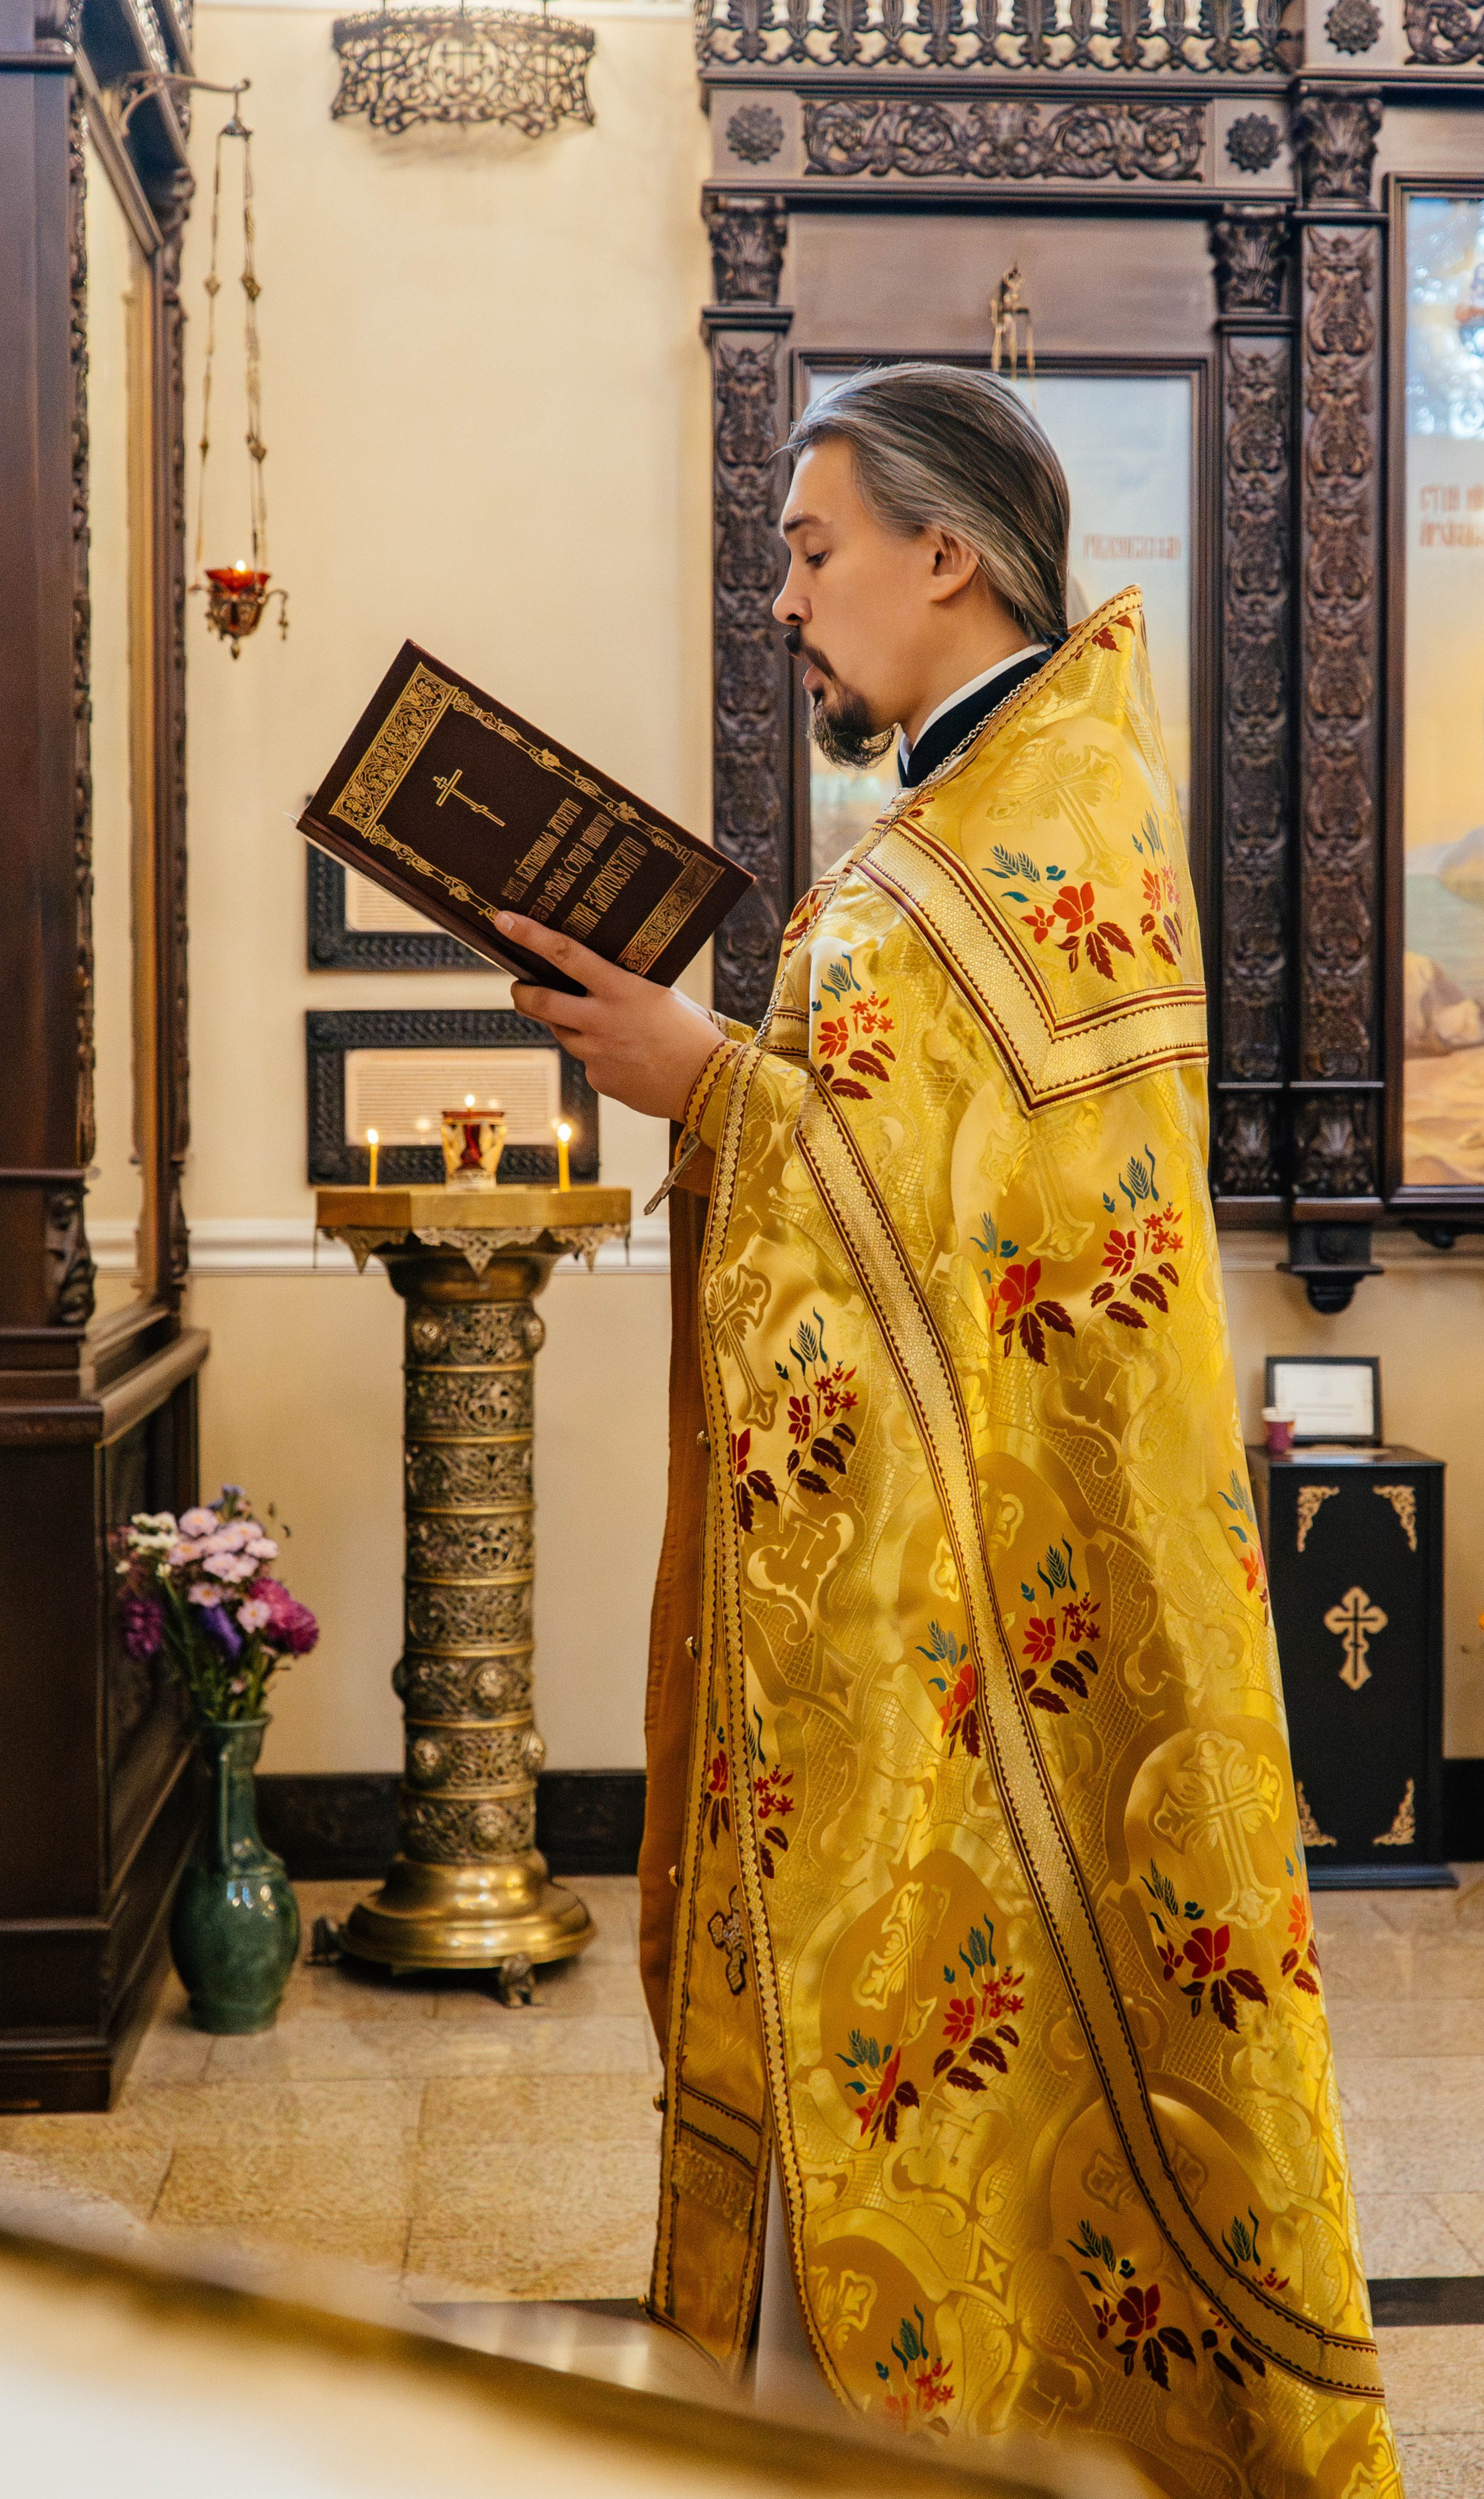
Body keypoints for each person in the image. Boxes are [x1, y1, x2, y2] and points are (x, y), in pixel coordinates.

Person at [500, 363, 1399, 2496]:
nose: (786, 601)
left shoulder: (1029, 826)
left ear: (946, 552)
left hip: (1009, 1597)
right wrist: (721, 1074)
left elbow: (969, 1215)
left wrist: (703, 1078)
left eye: (813, 554)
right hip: (948, 1587)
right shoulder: (977, 812)